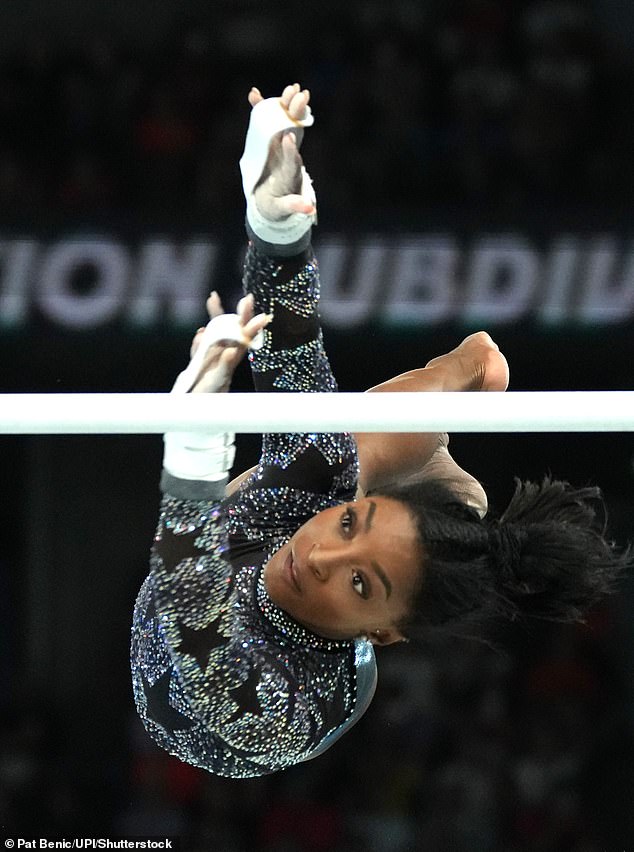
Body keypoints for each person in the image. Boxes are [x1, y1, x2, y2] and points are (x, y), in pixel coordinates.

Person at [130, 84, 629, 778]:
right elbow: (290, 340)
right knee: (330, 451)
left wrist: (198, 437)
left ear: (384, 634)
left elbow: (189, 603)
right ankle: (461, 377)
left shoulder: (279, 711)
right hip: (290, 521)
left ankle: (436, 461)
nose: (322, 558)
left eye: (361, 586)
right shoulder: (312, 502)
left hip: (206, 631)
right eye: (346, 526)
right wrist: (277, 223)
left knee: (309, 469)